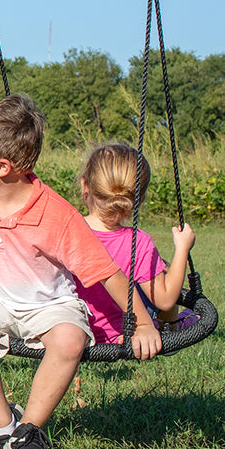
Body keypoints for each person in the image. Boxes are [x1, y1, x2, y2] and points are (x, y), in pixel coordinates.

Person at [0, 96, 160, 449]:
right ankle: (4, 429)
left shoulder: (58, 217)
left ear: (3, 166)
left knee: (69, 340)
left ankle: (29, 433)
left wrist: (143, 323)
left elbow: (108, 272)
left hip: (48, 300)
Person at [75, 142, 197, 343]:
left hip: (76, 329)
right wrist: (183, 248)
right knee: (164, 269)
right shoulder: (137, 241)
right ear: (139, 199)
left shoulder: (69, 229)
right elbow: (165, 300)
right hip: (126, 330)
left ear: (84, 185)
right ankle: (170, 328)